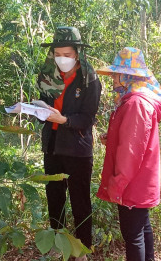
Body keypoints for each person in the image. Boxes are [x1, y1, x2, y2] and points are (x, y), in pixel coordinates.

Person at [96, 47, 161, 261]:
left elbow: (131, 152)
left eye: (117, 74)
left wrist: (118, 183)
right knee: (142, 228)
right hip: (140, 179)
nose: (114, 79)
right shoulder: (135, 100)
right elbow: (134, 139)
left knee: (133, 235)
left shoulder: (136, 103)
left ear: (128, 76)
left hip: (133, 182)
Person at [37, 26, 102, 260]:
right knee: (55, 197)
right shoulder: (47, 75)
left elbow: (88, 117)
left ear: (77, 54)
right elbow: (44, 104)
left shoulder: (89, 78)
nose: (61, 59)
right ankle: (57, 244)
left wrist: (64, 120)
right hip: (52, 145)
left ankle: (83, 248)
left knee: (80, 199)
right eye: (57, 54)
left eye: (67, 54)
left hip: (77, 148)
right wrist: (36, 110)